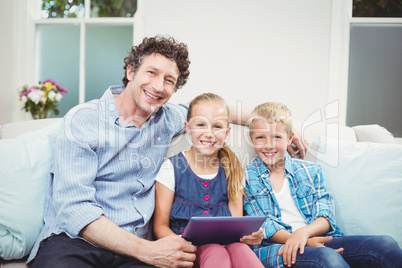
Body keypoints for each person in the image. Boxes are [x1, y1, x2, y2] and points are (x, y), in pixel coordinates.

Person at [27, 35, 307, 268]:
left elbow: (216, 111)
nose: (159, 86)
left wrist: (273, 126)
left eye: (169, 81)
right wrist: (145, 250)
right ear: (130, 72)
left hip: (135, 250)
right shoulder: (83, 120)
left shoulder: (167, 117)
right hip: (75, 243)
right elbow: (75, 210)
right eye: (151, 73)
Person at [243, 102, 402, 268]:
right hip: (279, 247)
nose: (269, 145)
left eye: (277, 137)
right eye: (261, 137)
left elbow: (326, 215)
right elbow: (264, 224)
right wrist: (298, 240)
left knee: (385, 245)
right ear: (252, 138)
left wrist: (303, 233)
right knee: (327, 258)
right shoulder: (247, 177)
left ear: (290, 138)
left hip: (319, 237)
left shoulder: (311, 170)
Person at [153, 93, 264, 268]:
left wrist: (251, 236)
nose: (209, 133)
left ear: (227, 132)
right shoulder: (171, 168)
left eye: (217, 126)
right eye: (201, 125)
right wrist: (179, 243)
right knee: (215, 251)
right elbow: (159, 226)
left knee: (241, 250)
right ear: (188, 128)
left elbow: (236, 226)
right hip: (186, 251)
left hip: (226, 247)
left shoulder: (233, 170)